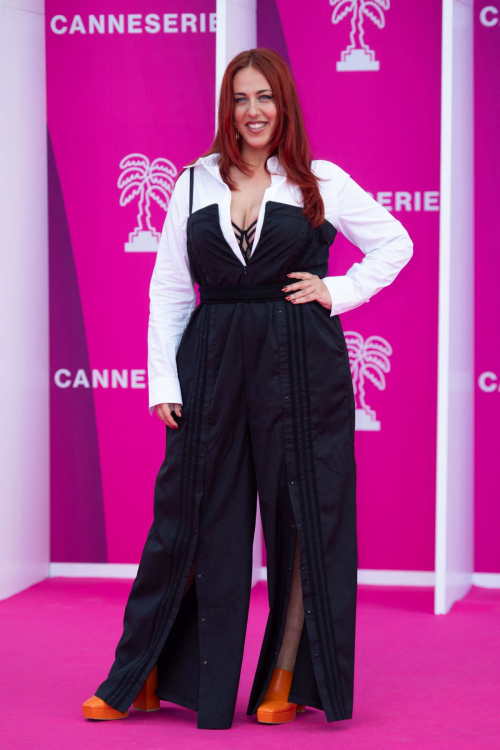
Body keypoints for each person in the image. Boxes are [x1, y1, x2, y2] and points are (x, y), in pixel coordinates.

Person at [82, 47, 413, 730]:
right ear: (227, 110)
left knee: (305, 516)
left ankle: (287, 673)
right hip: (211, 361)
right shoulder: (194, 182)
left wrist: (339, 290)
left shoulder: (318, 178)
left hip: (301, 364)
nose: (253, 111)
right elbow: (170, 290)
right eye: (240, 98)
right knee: (191, 516)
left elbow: (395, 244)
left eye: (264, 97)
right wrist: (163, 382)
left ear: (283, 102)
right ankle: (142, 673)